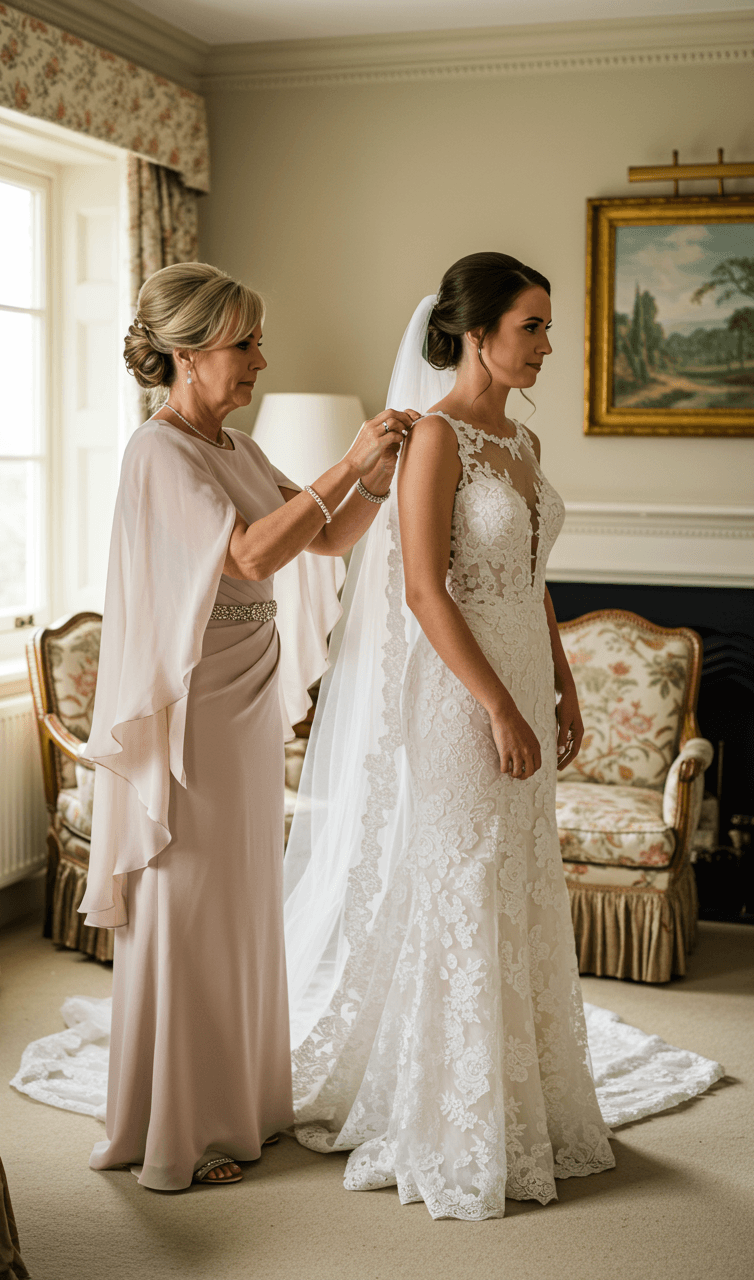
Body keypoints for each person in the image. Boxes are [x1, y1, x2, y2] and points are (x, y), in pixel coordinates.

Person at [283, 253, 615, 1220]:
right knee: (464, 886)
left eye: (549, 327)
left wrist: (560, 683)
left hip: (521, 677)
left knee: (519, 880)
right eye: (533, 327)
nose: (548, 346)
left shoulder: (526, 444)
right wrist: (500, 707)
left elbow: (531, 579)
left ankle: (529, 1108)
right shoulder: (435, 438)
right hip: (459, 696)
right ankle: (456, 1121)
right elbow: (426, 589)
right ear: (475, 334)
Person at [78, 261, 416, 1190]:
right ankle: (172, 1129)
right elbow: (247, 554)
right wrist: (345, 460)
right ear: (186, 355)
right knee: (190, 913)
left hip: (249, 701)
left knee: (240, 912)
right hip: (196, 715)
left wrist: (375, 481)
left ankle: (237, 1108)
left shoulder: (231, 445)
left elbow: (319, 538)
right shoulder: (160, 452)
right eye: (244, 343)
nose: (261, 360)